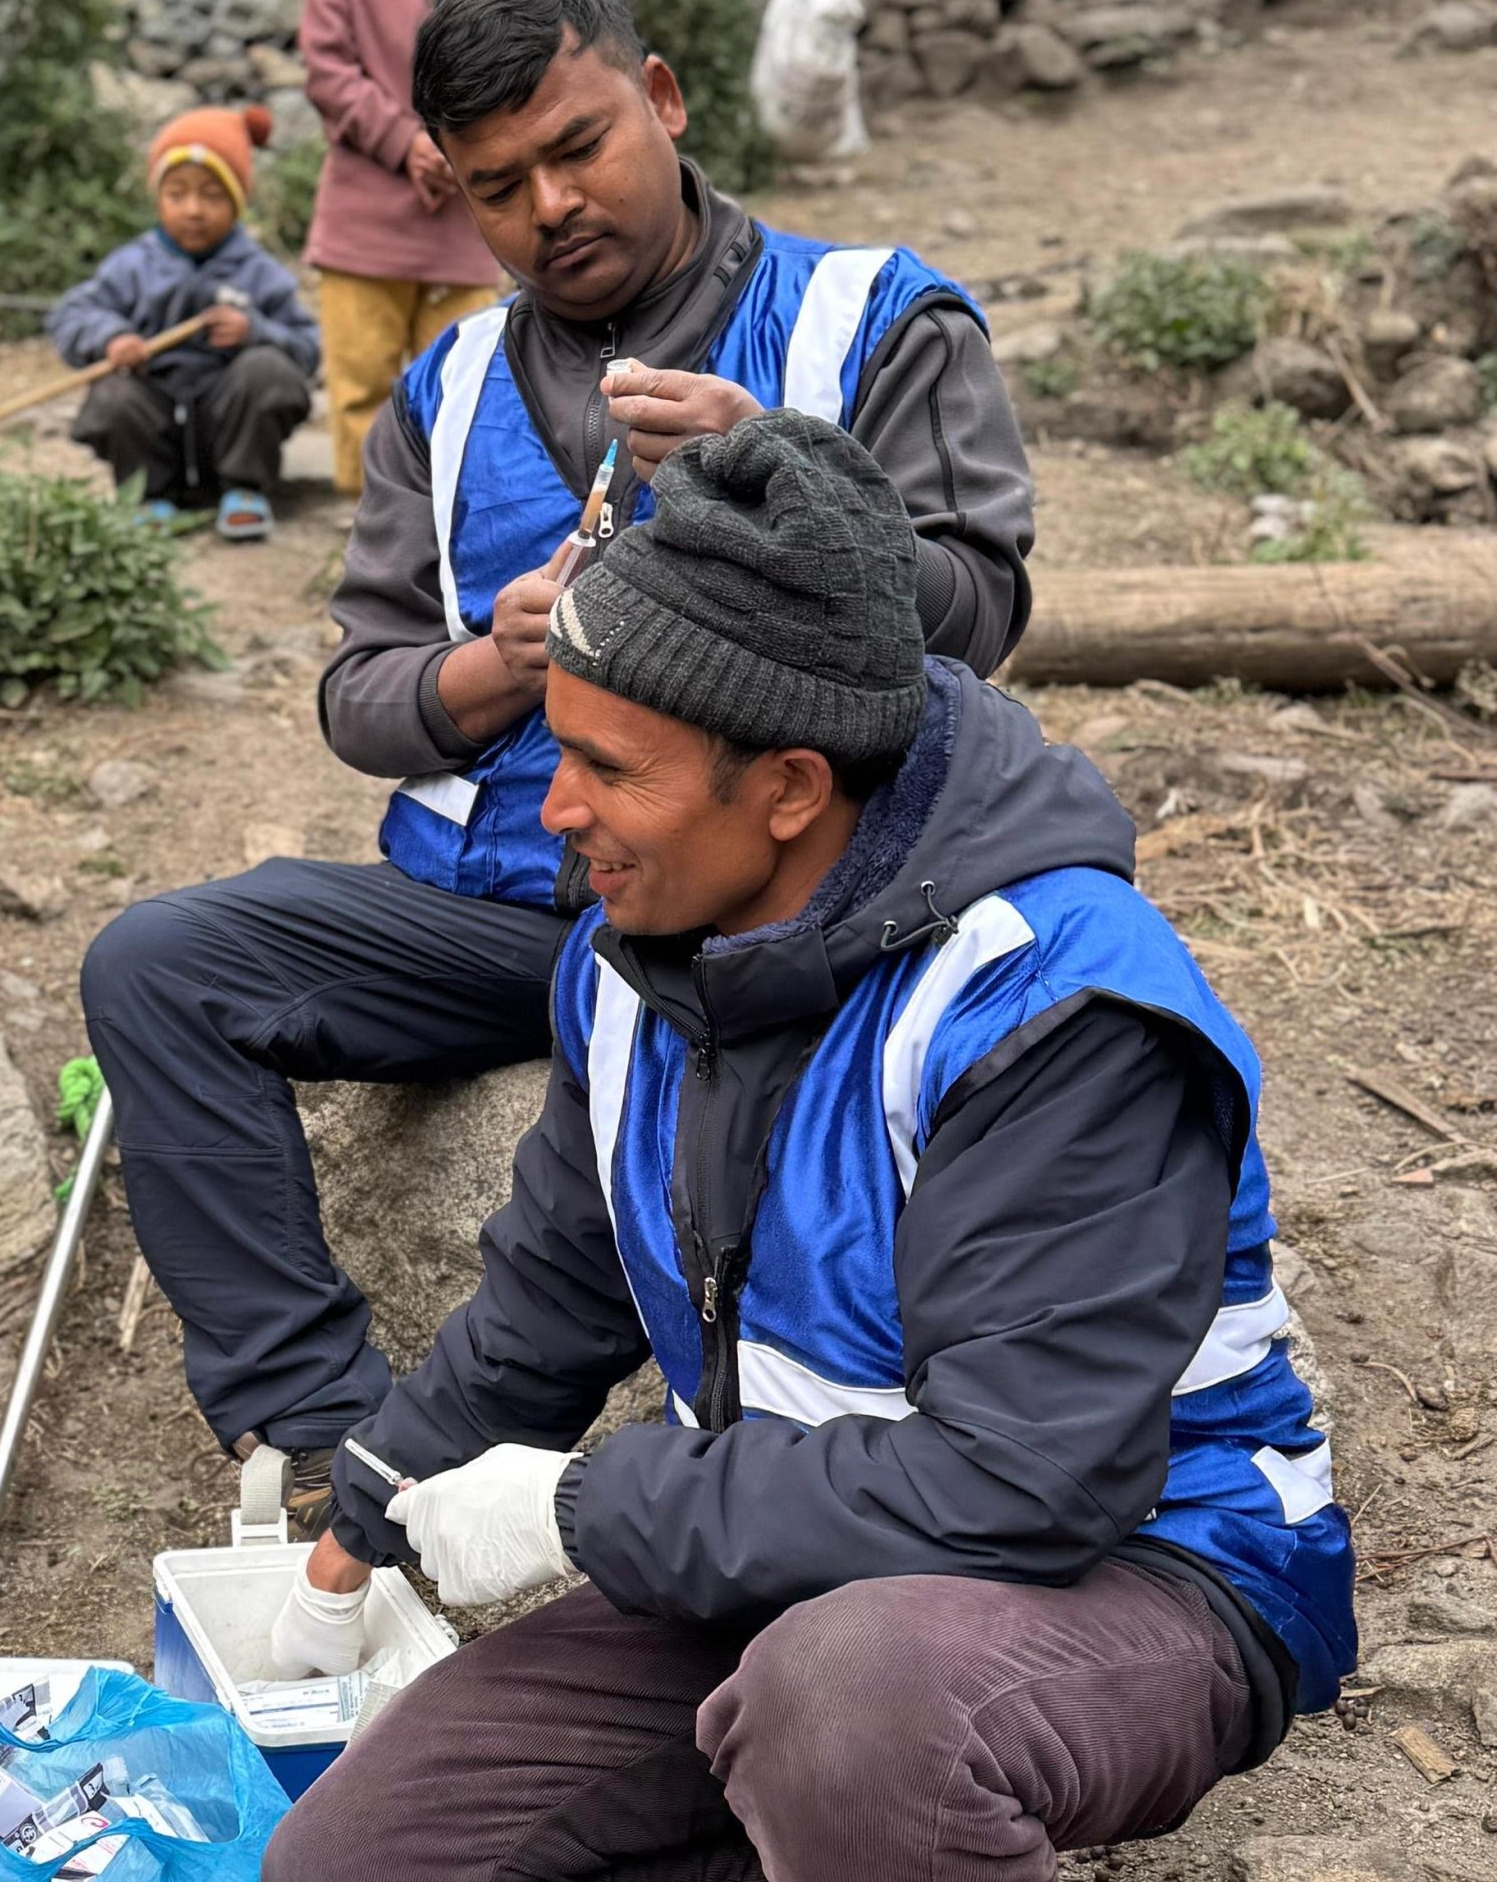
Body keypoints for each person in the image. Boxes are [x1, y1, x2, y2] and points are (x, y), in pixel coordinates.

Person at [260, 413, 1355, 1882]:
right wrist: (370, 1507)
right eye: (552, 749)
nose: (557, 810)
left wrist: (583, 1508)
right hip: (798, 1541)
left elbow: (1025, 1485)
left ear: (785, 786)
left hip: (1143, 1564)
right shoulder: (631, 960)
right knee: (360, 1861)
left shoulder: (1053, 1006)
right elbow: (554, 1295)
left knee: (853, 1718)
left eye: (606, 766)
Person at [80, 0, 1037, 1526]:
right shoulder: (445, 390)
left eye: (580, 147)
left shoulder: (868, 321)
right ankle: (326, 1424)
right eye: (497, 183)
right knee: (159, 964)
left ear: (660, 98)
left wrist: (796, 479)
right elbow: (359, 693)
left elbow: (982, 609)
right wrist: (486, 671)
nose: (550, 208)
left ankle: (724, 1480)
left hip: (789, 926)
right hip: (501, 916)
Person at [300, 0, 499, 495]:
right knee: (358, 390)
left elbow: (497, 69)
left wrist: (449, 143)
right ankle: (364, 534)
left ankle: (453, 530)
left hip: (460, 219)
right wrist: (405, 142)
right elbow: (330, 79)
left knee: (463, 386)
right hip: (363, 230)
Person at [48, 104, 319, 541]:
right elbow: (71, 315)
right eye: (177, 195)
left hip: (226, 429)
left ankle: (244, 491)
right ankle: (146, 496)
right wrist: (111, 338)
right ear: (158, 200)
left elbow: (309, 346)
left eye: (212, 196)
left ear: (238, 203)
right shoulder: (132, 266)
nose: (193, 210)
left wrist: (255, 332)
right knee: (115, 393)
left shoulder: (258, 271)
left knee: (265, 368)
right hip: (152, 424)